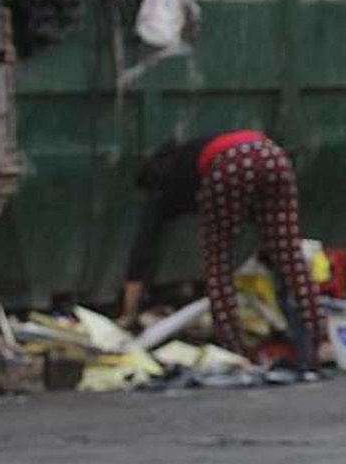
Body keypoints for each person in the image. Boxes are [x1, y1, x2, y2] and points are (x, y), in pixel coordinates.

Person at [119, 130, 324, 376]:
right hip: (272, 156)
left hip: (230, 165)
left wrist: (129, 314)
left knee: (219, 264)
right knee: (291, 255)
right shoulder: (193, 148)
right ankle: (320, 341)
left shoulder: (168, 184)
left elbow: (144, 249)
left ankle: (233, 351)